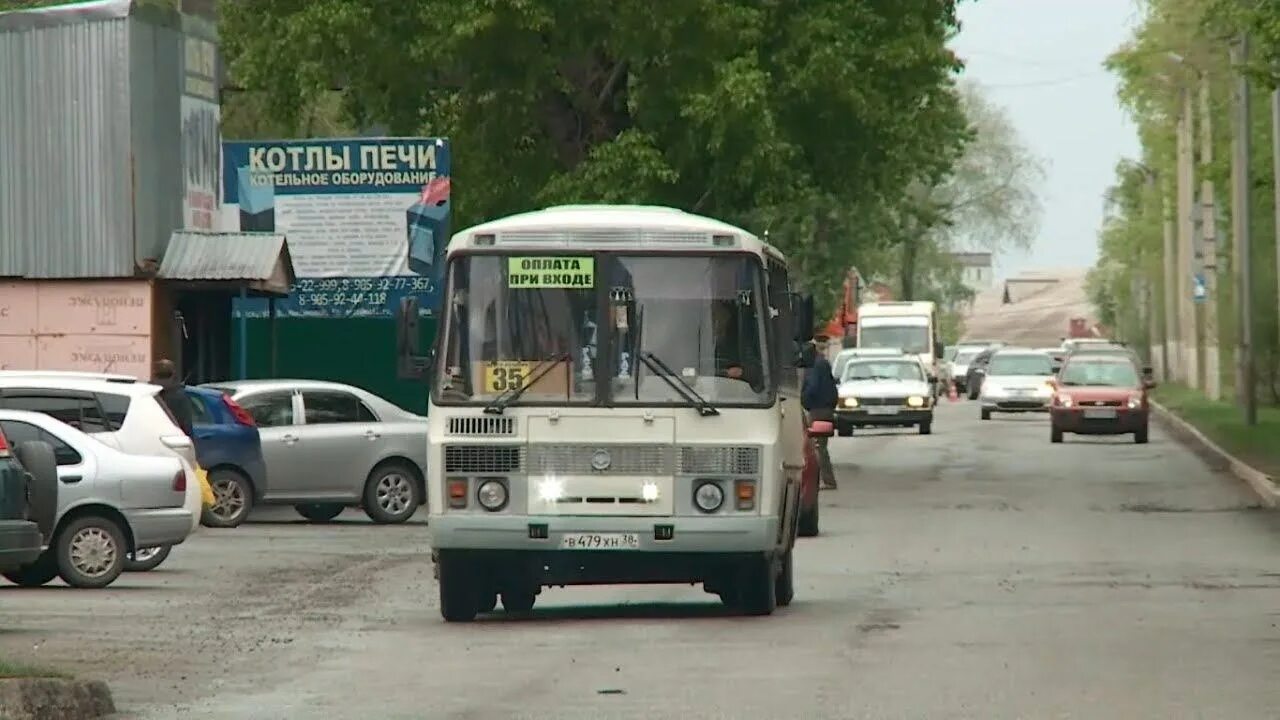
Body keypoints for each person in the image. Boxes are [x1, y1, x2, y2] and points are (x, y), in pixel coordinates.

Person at [801, 336, 838, 490]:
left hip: (818, 409)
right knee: (820, 446)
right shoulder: (822, 363)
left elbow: (813, 387)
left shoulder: (816, 366)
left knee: (817, 446)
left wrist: (803, 399)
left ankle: (826, 480)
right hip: (826, 408)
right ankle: (827, 479)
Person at [152, 359, 195, 437]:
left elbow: (186, 426)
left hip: (173, 440)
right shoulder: (147, 394)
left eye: (166, 375)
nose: (163, 380)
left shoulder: (180, 397)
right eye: (160, 375)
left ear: (173, 377)